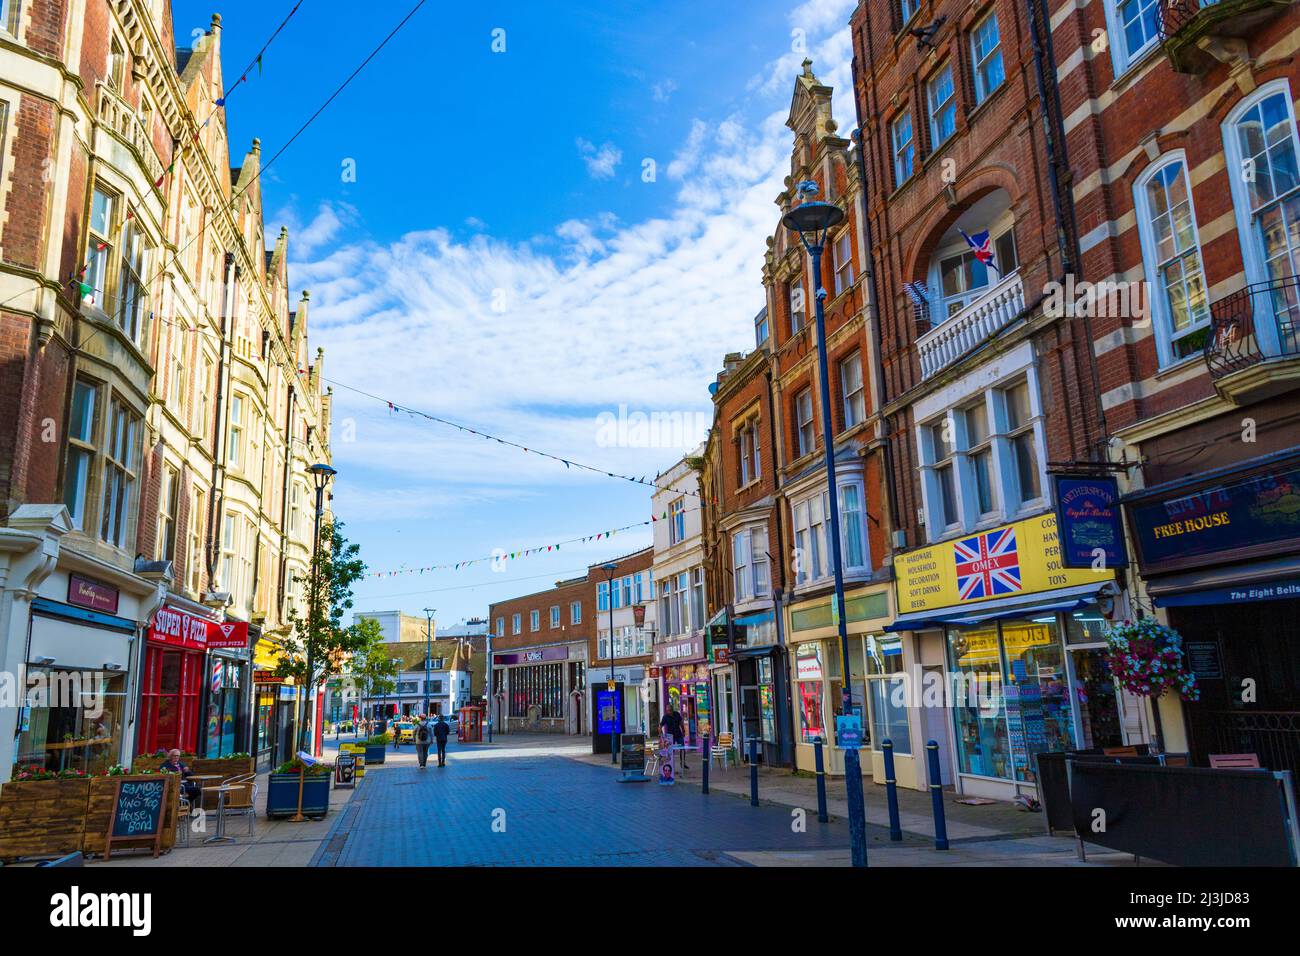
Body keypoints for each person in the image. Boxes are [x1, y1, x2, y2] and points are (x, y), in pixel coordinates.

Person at [660, 704, 688, 770]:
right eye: (667, 711)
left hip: (678, 734)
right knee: (671, 751)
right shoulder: (665, 717)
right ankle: (670, 764)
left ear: (672, 710)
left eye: (669, 710)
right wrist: (662, 736)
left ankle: (683, 763)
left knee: (682, 749)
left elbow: (681, 723)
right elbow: (660, 726)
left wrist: (683, 731)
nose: (668, 712)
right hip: (670, 736)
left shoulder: (677, 714)